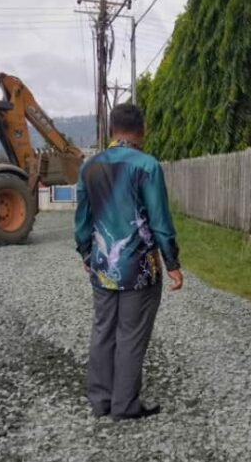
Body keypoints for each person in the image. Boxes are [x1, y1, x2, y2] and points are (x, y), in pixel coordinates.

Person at [74, 104, 184, 421]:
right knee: (132, 334)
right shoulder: (147, 165)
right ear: (142, 130)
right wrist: (172, 262)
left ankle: (100, 401)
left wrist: (85, 252)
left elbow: (82, 219)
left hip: (103, 265)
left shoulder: (89, 167)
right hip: (139, 267)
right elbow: (160, 221)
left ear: (111, 130)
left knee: (103, 330)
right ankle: (124, 406)